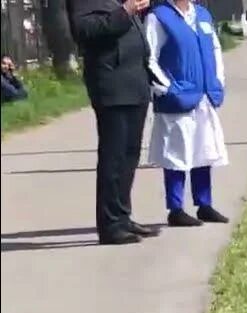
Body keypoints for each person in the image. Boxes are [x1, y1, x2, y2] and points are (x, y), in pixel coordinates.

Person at [71, 0, 161, 244]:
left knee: (130, 155)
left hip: (135, 83)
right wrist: (125, 12)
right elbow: (85, 31)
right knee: (114, 156)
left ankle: (122, 217)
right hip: (111, 84)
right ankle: (110, 225)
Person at [145, 0, 230, 227]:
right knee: (177, 153)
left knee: (204, 149)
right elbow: (149, 58)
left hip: (204, 95)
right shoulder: (159, 17)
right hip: (177, 98)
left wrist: (218, 81)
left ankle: (204, 204)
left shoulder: (202, 14)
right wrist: (167, 89)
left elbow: (215, 49)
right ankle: (176, 209)